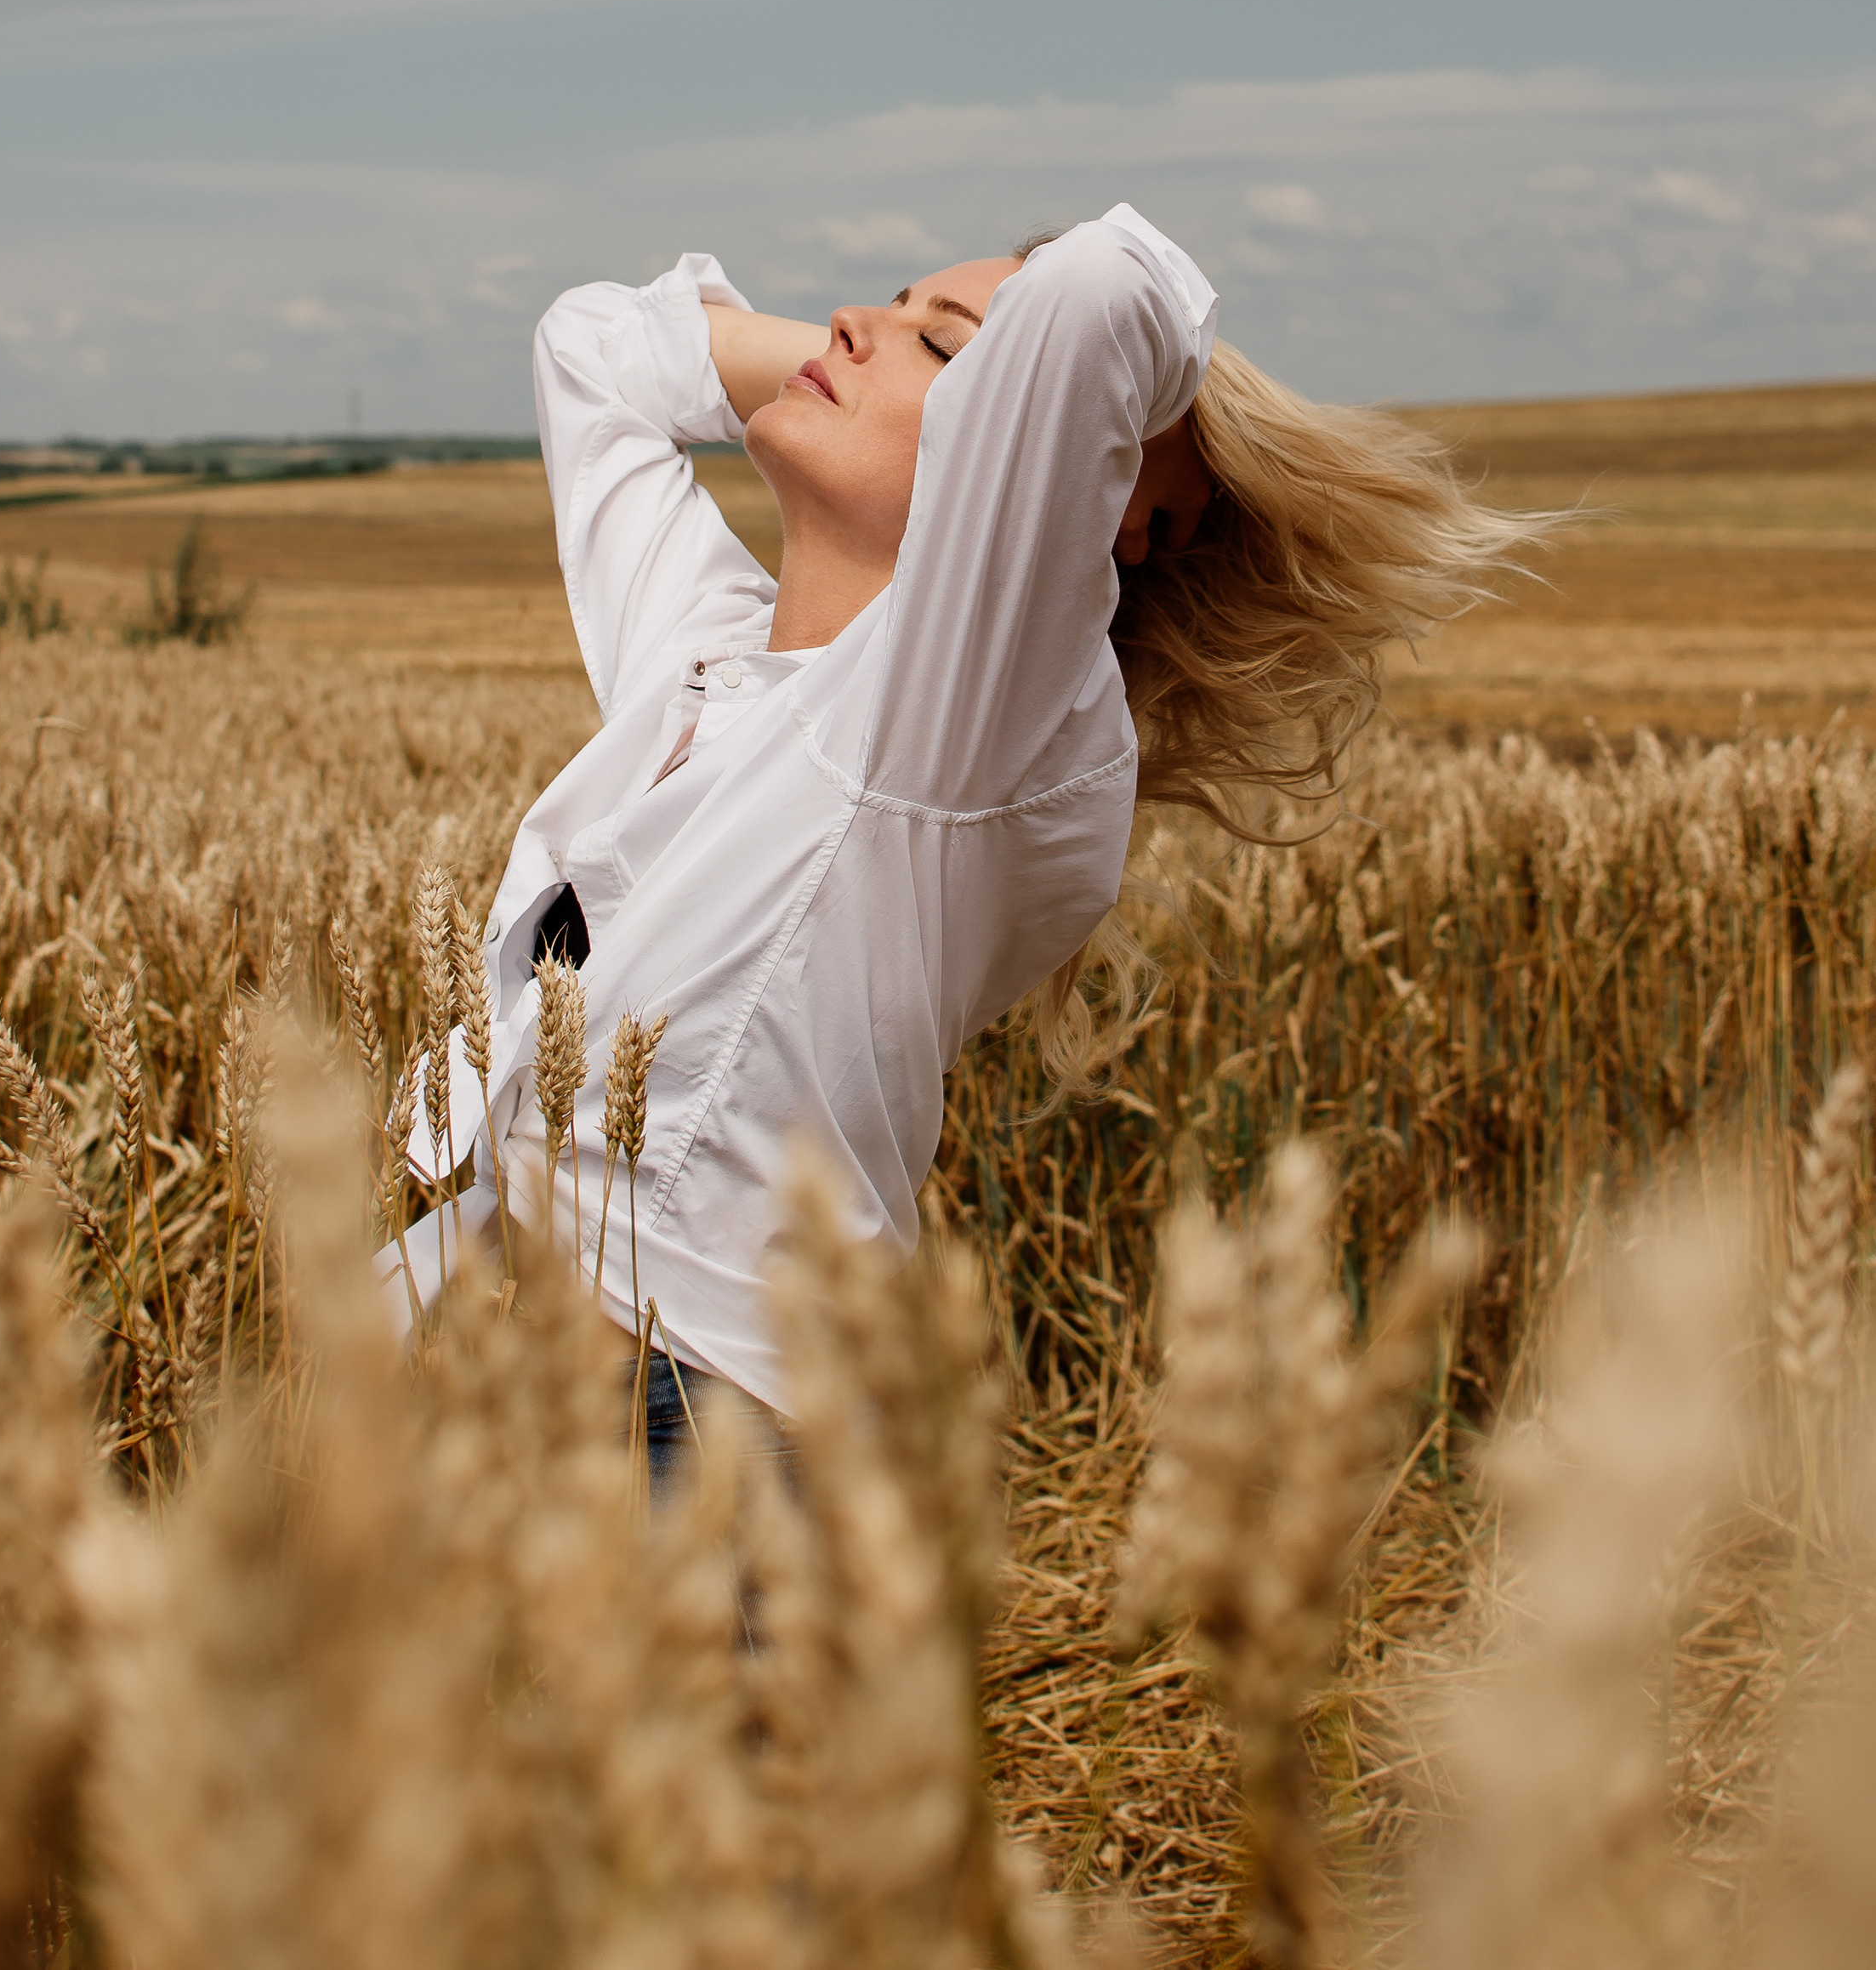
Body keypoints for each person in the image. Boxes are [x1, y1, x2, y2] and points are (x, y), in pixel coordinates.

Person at [388, 205, 1528, 1475]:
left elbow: (1099, 294)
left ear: (1091, 502)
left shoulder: (971, 730)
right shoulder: (706, 665)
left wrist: (1016, 392)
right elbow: (590, 347)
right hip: (520, 1417)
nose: (851, 322)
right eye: (881, 302)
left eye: (949, 352)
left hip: (710, 1442)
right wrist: (871, 356)